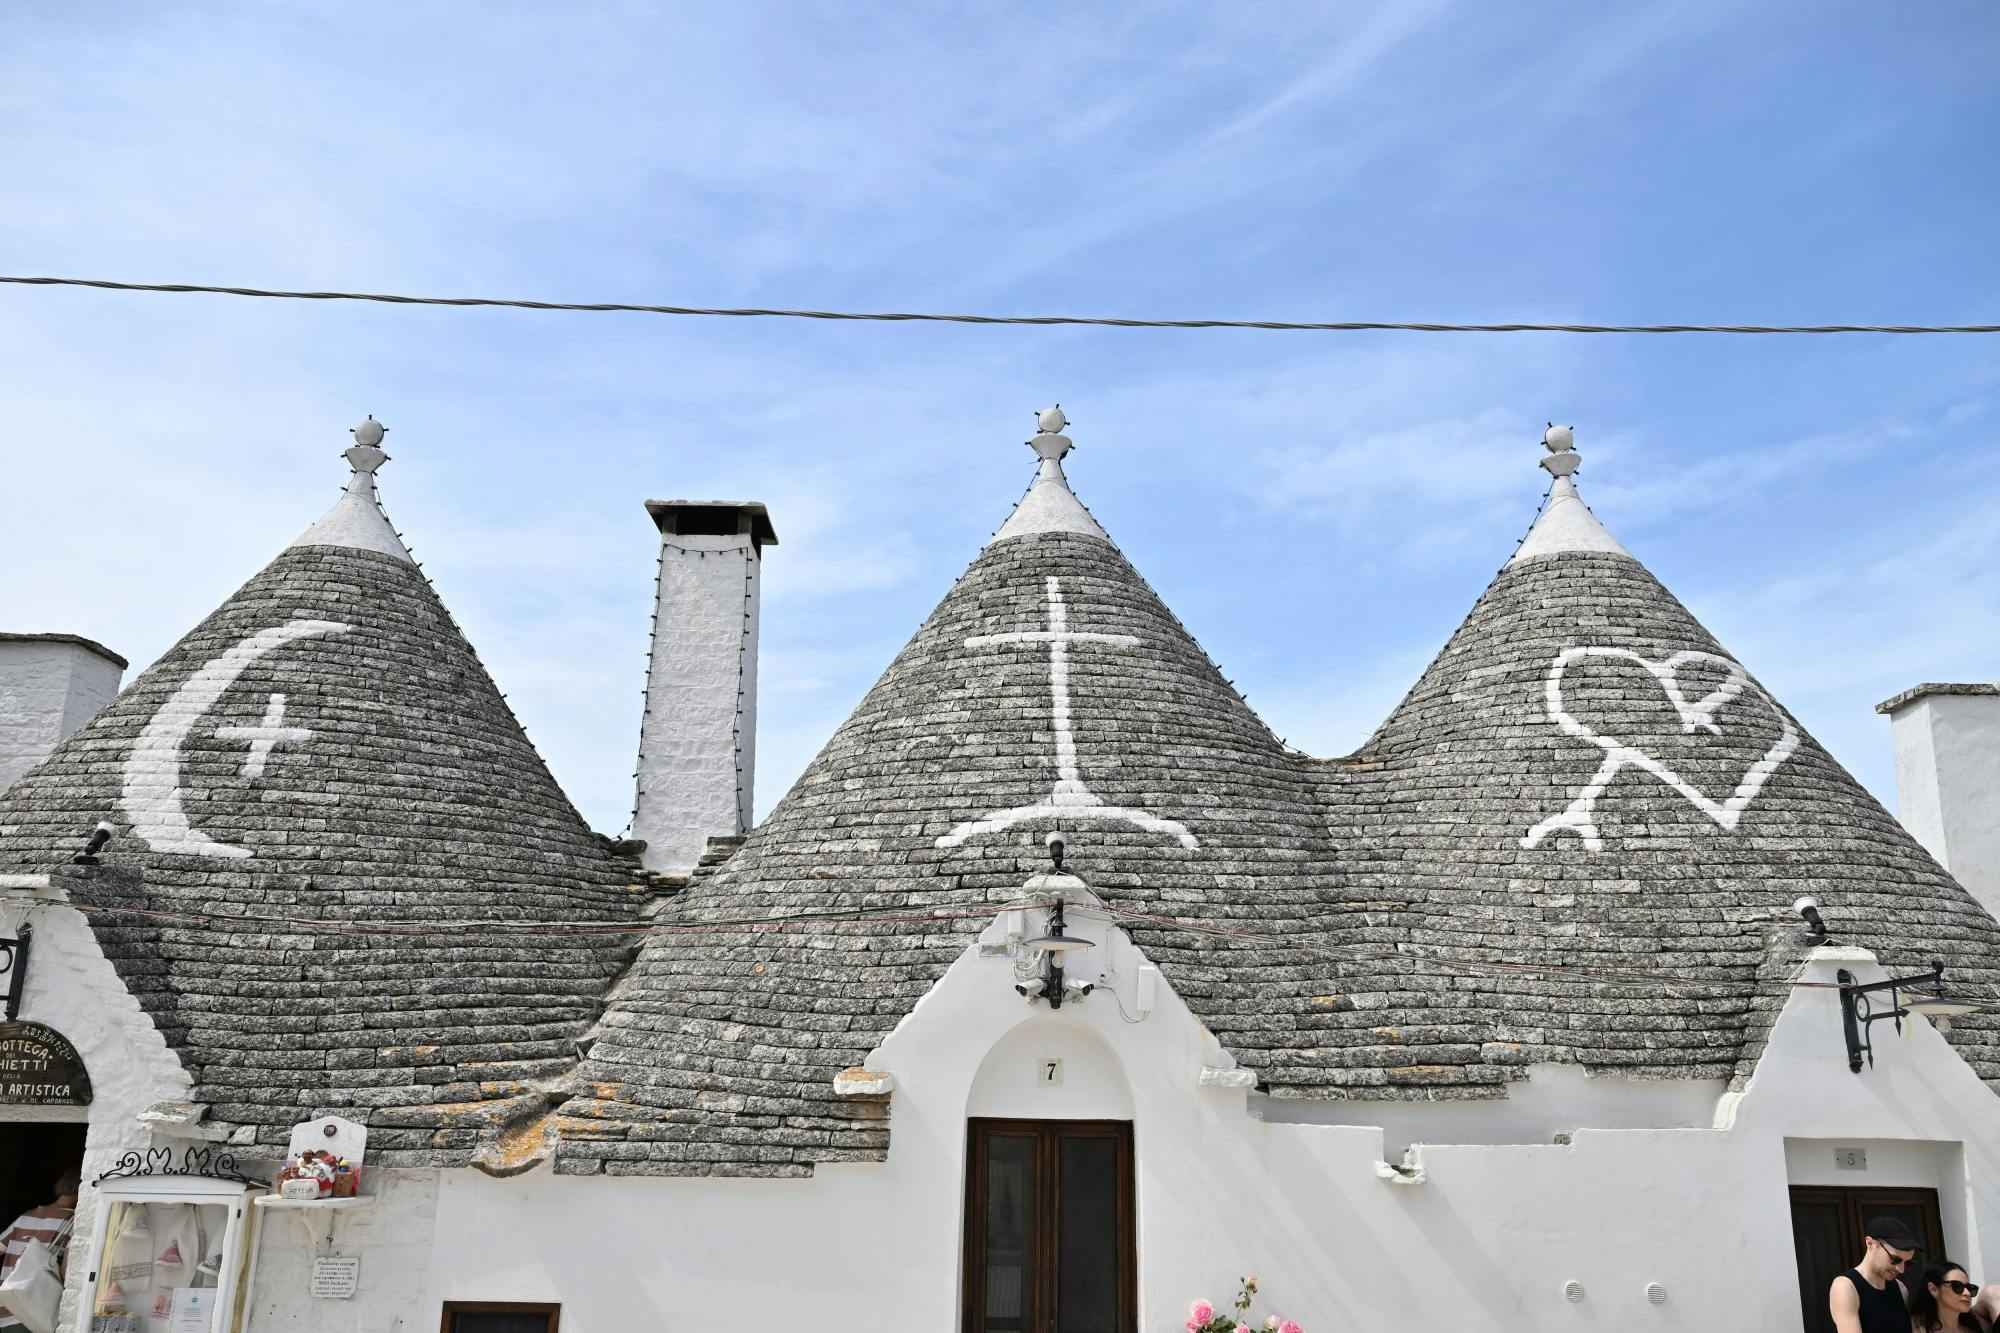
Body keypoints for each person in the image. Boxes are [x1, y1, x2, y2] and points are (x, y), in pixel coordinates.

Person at [0, 1167, 79, 1331]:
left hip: (7, 1306)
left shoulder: (26, 1216)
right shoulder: (71, 1222)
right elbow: (67, 1272)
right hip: (35, 1310)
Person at [1830, 1216, 1920, 1333]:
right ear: (1870, 1243)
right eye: (1895, 1259)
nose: (1901, 1269)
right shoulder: (1846, 1287)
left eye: (1907, 1263)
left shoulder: (1901, 1289)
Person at [1908, 1259, 1983, 1332]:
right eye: (1957, 1286)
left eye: (1969, 1288)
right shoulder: (1917, 1327)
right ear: (1933, 1289)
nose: (1968, 1293)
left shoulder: (1975, 1327)